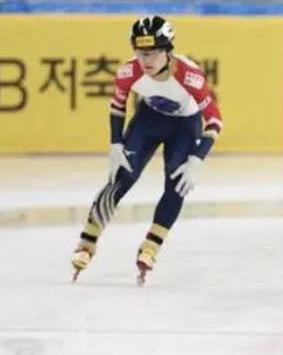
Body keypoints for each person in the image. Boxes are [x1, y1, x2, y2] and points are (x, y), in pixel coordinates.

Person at [70, 16, 223, 285]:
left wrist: (198, 158)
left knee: (177, 184)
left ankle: (151, 246)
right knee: (121, 178)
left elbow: (215, 120)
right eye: (141, 53)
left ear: (167, 52)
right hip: (147, 121)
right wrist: (116, 142)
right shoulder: (129, 71)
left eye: (152, 53)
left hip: (184, 128)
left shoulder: (189, 76)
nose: (146, 60)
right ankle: (87, 242)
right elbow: (117, 105)